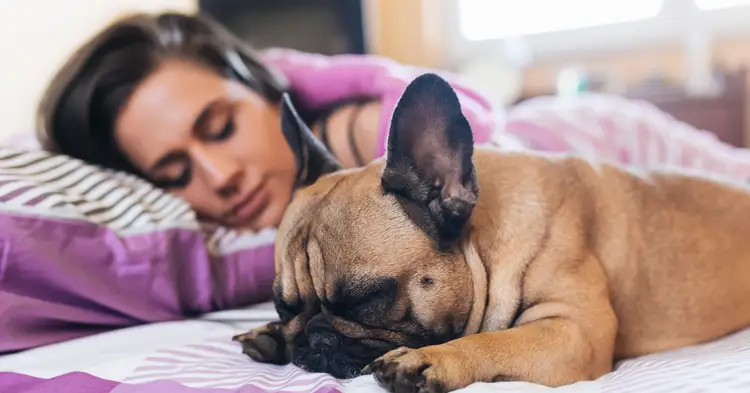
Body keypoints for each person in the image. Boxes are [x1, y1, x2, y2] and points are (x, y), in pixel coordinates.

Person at [36, 11, 503, 233]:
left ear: (265, 90)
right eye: (174, 174)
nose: (221, 178)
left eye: (222, 128)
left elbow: (477, 132)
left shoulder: (363, 137)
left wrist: (297, 75)